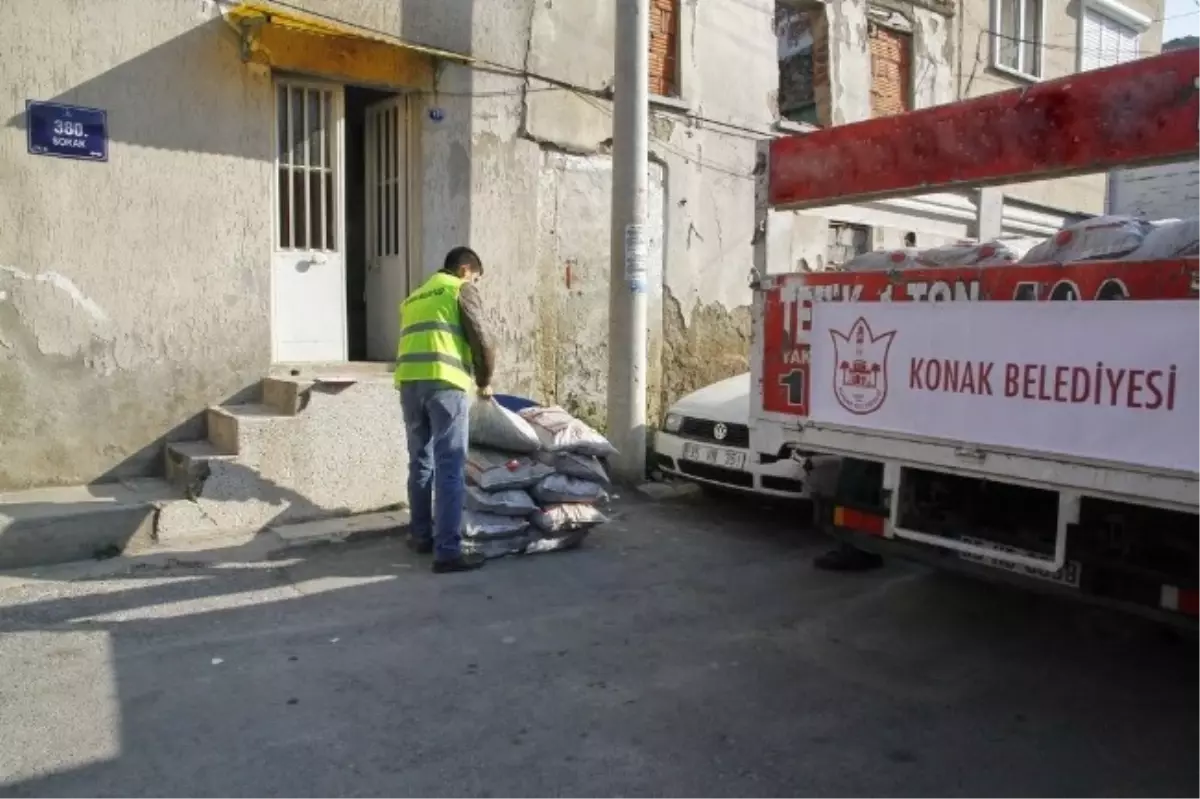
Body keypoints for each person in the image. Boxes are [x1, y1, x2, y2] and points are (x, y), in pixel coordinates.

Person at [395, 246, 496, 574]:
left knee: (420, 462)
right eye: (476, 277)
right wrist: (484, 379)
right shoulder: (459, 290)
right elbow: (482, 337)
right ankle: (448, 551)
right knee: (451, 465)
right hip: (444, 383)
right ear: (466, 269)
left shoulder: (415, 296)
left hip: (410, 385)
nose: (475, 283)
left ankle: (421, 535)